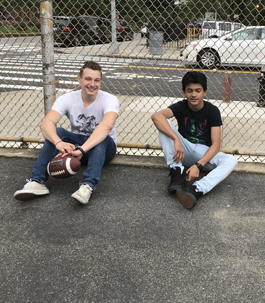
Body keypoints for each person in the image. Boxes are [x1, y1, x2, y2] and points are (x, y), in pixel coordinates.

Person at [14, 61, 119, 205]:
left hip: (104, 148)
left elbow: (107, 125)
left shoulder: (110, 99)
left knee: (101, 138)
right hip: (78, 147)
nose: (92, 84)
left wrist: (82, 149)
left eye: (97, 80)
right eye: (88, 79)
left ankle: (87, 186)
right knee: (58, 132)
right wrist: (59, 143)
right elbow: (46, 123)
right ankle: (37, 182)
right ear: (79, 79)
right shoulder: (67, 98)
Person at [151, 71, 238, 209]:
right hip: (182, 152)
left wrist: (199, 165)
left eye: (198, 91)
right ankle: (177, 175)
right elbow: (156, 116)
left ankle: (196, 190)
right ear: (184, 92)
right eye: (189, 91)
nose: (194, 95)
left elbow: (216, 146)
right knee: (163, 123)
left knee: (232, 160)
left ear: (205, 92)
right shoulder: (181, 106)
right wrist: (176, 139)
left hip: (203, 154)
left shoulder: (212, 111)